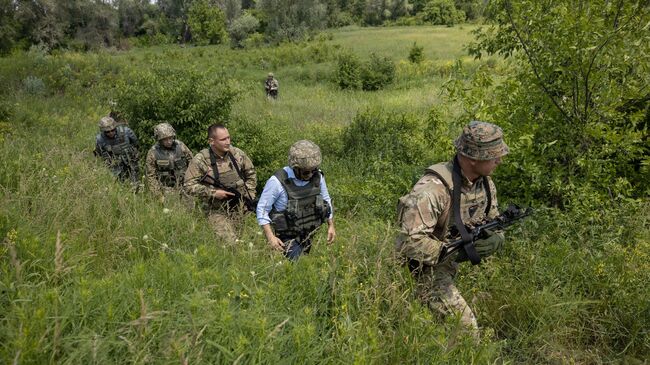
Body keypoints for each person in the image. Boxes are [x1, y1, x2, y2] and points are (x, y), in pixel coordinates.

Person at [395, 121, 509, 337]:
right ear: (474, 158)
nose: (499, 160)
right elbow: (408, 242)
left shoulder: (484, 184)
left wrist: (497, 237)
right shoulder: (432, 190)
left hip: (446, 265)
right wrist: (458, 251)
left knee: (435, 329)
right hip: (420, 270)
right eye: (493, 155)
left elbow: (493, 218)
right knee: (466, 331)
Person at [256, 140, 336, 260]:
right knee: (299, 265)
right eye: (306, 172)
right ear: (295, 167)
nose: (310, 174)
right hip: (287, 236)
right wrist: (270, 237)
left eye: (314, 169)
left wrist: (331, 225)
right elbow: (262, 209)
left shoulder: (317, 176)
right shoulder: (277, 181)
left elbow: (325, 198)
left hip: (309, 231)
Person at [184, 124, 257, 242]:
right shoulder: (200, 160)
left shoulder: (237, 154)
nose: (228, 142)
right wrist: (213, 193)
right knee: (230, 243)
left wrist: (250, 195)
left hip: (242, 206)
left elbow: (251, 173)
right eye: (223, 139)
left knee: (254, 238)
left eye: (228, 138)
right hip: (216, 210)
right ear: (211, 141)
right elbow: (188, 185)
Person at [145, 122, 193, 200]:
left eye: (170, 138)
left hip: (185, 184)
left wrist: (192, 183)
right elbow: (151, 176)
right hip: (166, 188)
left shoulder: (181, 146)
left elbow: (192, 163)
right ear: (159, 140)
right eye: (165, 139)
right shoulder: (153, 152)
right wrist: (158, 195)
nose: (169, 141)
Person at [94, 116, 140, 187]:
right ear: (103, 131)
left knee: (135, 185)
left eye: (112, 130)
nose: (111, 133)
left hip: (130, 162)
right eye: (107, 132)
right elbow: (99, 153)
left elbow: (136, 144)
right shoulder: (100, 139)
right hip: (115, 167)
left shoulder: (126, 131)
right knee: (118, 186)